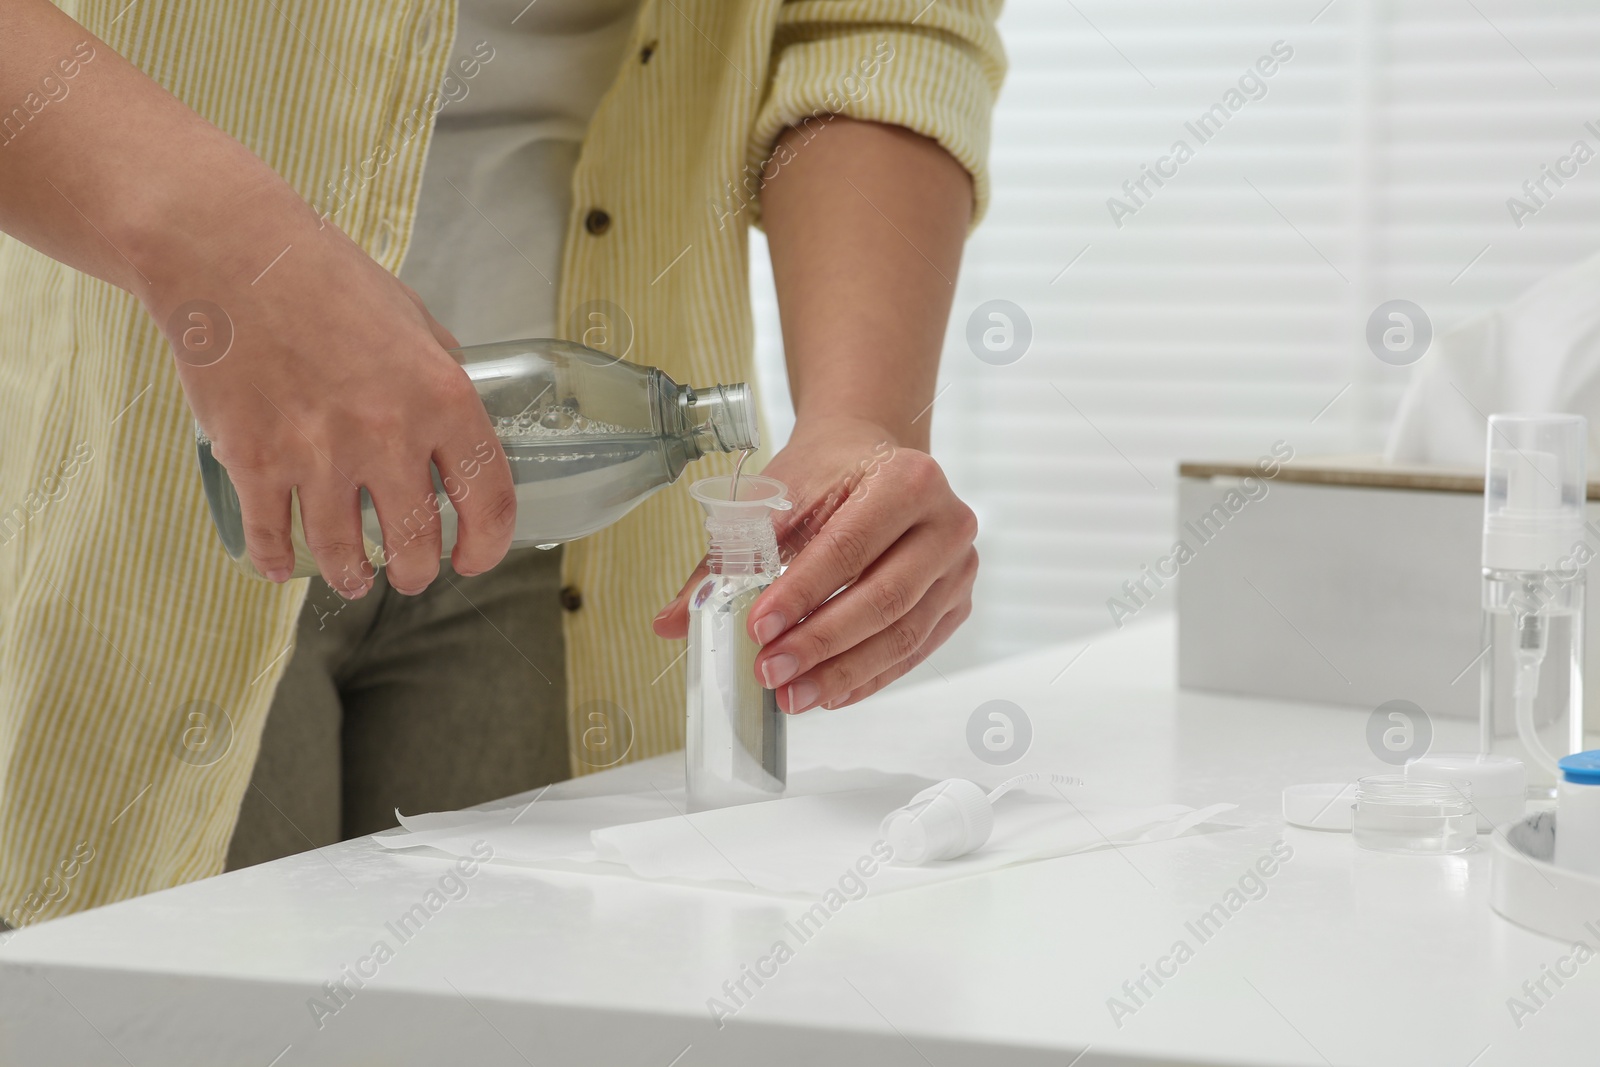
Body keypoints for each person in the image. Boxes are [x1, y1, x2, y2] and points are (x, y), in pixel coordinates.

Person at [0, 0, 1001, 923]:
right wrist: (223, 245)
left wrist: (862, 410)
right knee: (173, 1009)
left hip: (569, 535)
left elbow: (880, 23)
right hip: (149, 481)